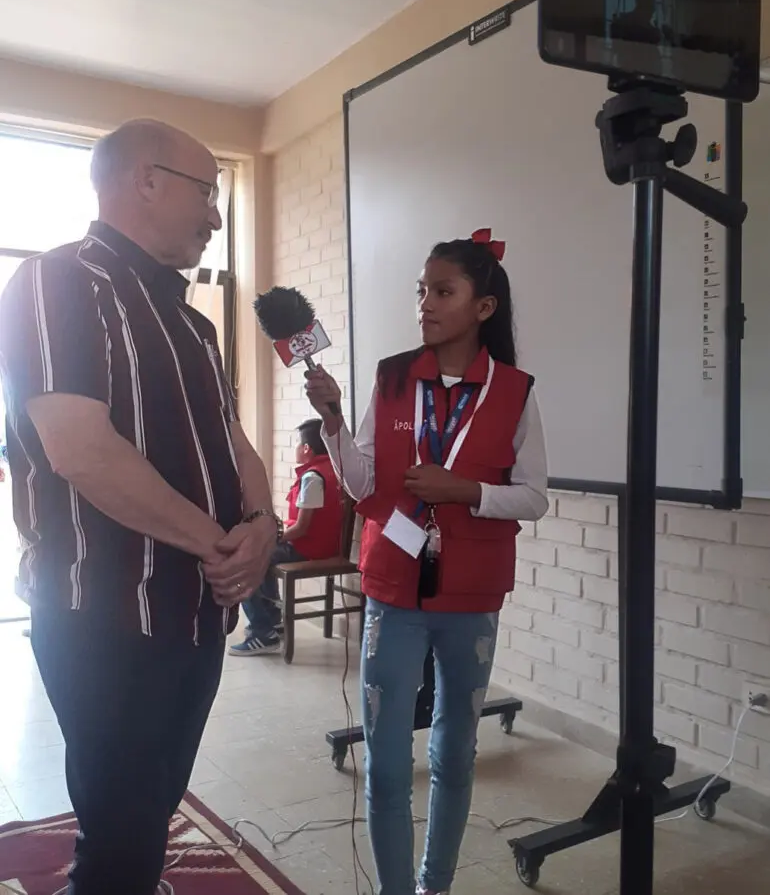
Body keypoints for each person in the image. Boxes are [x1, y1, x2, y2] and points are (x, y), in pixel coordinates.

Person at [0, 119, 281, 895]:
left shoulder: (194, 323)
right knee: (120, 831)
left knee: (150, 809)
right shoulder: (59, 282)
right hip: (106, 615)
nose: (216, 216)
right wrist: (222, 546)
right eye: (207, 193)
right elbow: (79, 450)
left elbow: (233, 441)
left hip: (197, 613)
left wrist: (262, 528)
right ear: (145, 180)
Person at [306, 229, 549, 895]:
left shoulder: (515, 392)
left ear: (483, 308)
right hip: (392, 588)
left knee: (454, 753)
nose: (425, 304)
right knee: (387, 766)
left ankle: (433, 886)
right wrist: (331, 421)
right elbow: (361, 485)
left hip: (470, 597)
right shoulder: (391, 377)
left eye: (442, 291)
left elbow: (534, 497)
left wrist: (464, 491)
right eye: (421, 290)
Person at [230, 417, 343, 655]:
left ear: (306, 449)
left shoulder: (313, 478)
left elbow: (301, 529)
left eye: (296, 444)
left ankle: (263, 632)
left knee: (245, 559)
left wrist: (271, 536)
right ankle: (273, 620)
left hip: (310, 549)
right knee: (265, 553)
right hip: (322, 544)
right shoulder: (331, 471)